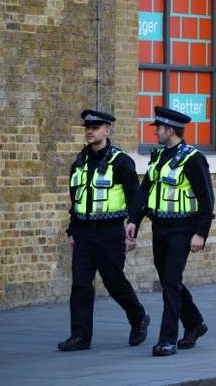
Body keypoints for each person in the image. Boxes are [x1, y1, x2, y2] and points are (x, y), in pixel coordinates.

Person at [59, 110, 150, 351]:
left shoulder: (121, 162)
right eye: (87, 127)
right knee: (80, 284)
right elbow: (76, 200)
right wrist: (72, 231)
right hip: (84, 232)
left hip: (110, 232)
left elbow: (135, 199)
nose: (89, 131)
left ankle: (138, 317)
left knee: (114, 281)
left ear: (107, 130)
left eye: (96, 127)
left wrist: (133, 231)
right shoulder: (79, 162)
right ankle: (80, 336)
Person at [127, 106, 214, 357]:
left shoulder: (193, 158)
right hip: (160, 227)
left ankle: (167, 339)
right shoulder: (158, 157)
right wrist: (135, 219)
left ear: (171, 130)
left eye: (159, 129)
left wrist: (200, 233)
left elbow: (206, 199)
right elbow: (145, 191)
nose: (156, 133)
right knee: (169, 281)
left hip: (182, 228)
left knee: (171, 282)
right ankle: (195, 323)